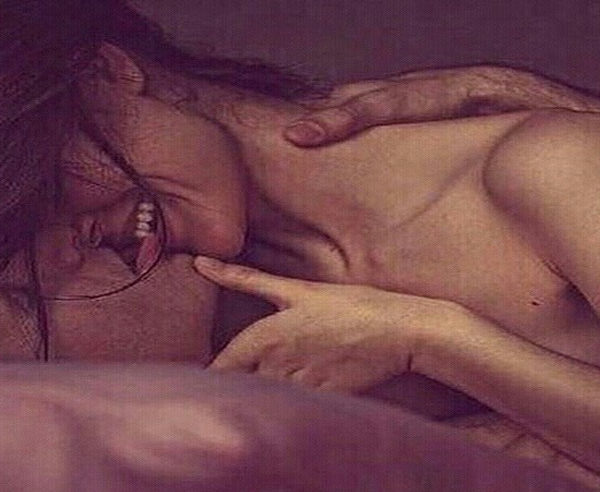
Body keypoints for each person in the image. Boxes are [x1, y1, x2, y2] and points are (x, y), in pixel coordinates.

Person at [3, 0, 600, 488]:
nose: (69, 241)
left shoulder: (540, 165)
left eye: (51, 186)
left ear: (107, 74)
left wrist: (430, 341)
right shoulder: (228, 310)